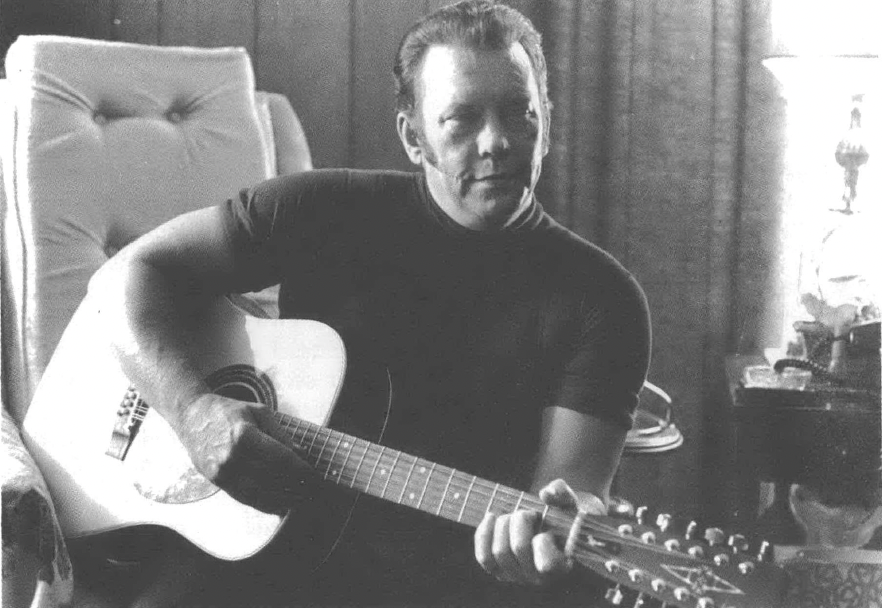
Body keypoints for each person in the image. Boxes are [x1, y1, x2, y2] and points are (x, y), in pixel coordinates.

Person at [86, 1, 651, 606]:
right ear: (413, 137)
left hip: (434, 583)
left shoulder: (603, 300)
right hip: (254, 546)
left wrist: (548, 544)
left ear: (547, 120)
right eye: (462, 119)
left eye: (520, 112)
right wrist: (192, 410)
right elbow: (128, 275)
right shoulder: (320, 212)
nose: (498, 141)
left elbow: (570, 495)